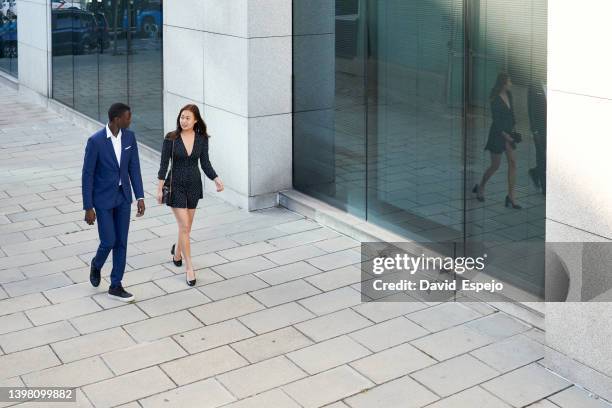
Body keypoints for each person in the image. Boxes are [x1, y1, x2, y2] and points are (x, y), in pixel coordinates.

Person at [82, 103, 145, 301]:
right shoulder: (96, 141)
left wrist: (140, 196)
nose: (130, 119)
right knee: (109, 240)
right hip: (102, 199)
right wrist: (88, 206)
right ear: (117, 119)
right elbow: (87, 175)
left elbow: (134, 168)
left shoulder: (129, 137)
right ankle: (97, 264)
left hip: (123, 197)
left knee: (121, 242)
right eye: (128, 117)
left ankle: (115, 284)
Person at [157, 104, 224, 286]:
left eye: (187, 118)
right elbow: (164, 165)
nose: (183, 121)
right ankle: (189, 268)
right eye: (181, 117)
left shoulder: (202, 139)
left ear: (195, 120)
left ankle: (177, 252)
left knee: (186, 228)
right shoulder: (171, 138)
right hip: (175, 185)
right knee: (185, 226)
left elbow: (205, 163)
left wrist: (215, 178)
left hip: (194, 185)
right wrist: (159, 188)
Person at [472, 73, 522, 209]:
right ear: (503, 83)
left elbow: (512, 114)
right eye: (509, 81)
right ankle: (481, 186)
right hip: (498, 134)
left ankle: (511, 196)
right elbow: (497, 121)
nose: (511, 84)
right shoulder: (494, 99)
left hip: (509, 133)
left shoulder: (509, 95)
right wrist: (506, 135)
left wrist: (514, 131)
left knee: (513, 163)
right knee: (495, 165)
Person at [528, 79, 547, 194]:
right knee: (541, 156)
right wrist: (534, 130)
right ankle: (545, 188)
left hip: (552, 128)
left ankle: (535, 172)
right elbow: (530, 110)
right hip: (539, 129)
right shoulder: (533, 86)